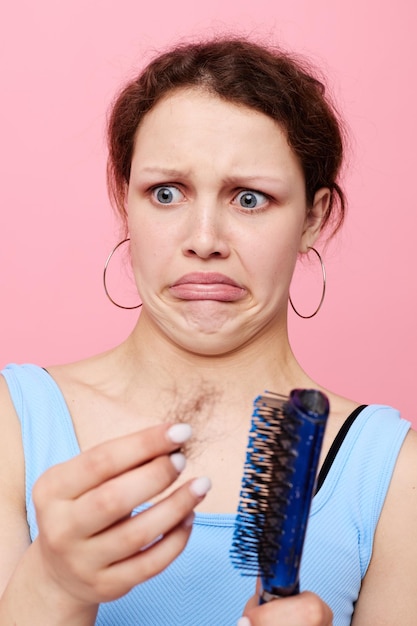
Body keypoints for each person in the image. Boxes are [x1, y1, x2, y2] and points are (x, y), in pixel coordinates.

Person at [0, 36, 416, 626]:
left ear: (313, 217)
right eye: (165, 193)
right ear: (125, 201)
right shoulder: (11, 426)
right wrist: (52, 585)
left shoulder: (395, 475)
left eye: (250, 198)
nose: (203, 239)